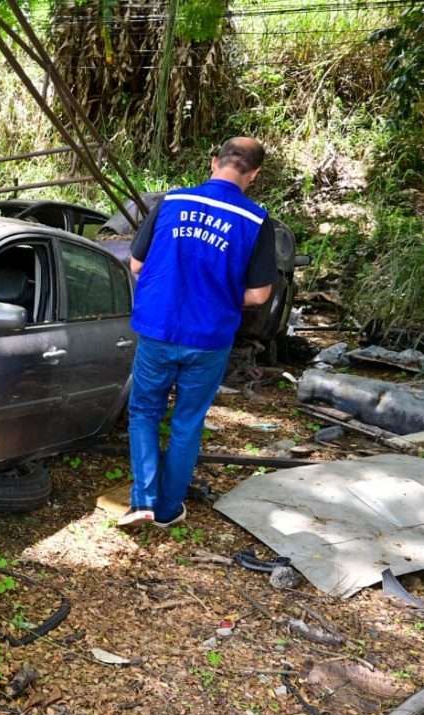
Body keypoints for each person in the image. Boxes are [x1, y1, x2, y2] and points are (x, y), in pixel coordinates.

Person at [119, 137, 277, 530]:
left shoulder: (171, 203)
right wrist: (219, 292)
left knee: (144, 412)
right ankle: (169, 510)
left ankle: (143, 501)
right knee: (188, 420)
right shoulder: (257, 221)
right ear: (253, 175)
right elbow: (259, 294)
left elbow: (136, 265)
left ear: (214, 162)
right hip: (209, 337)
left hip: (159, 328)